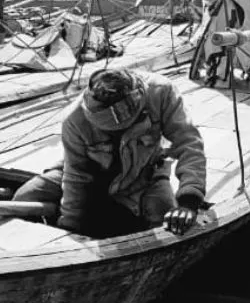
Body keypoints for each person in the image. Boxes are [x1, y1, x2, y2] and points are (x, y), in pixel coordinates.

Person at [12, 68, 207, 238]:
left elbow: (189, 143)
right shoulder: (74, 119)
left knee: (167, 225)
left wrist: (189, 201)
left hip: (144, 178)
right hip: (89, 175)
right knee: (24, 198)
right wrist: (70, 229)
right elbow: (75, 176)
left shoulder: (161, 93)